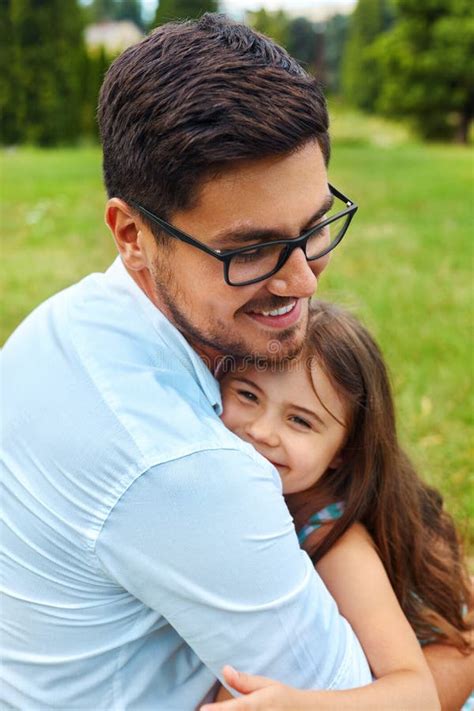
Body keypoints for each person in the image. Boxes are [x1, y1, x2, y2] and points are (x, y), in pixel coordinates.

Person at [0, 13, 453, 710]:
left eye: (313, 227)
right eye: (250, 249)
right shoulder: (181, 466)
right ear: (132, 234)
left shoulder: (62, 325)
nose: (303, 280)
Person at [203, 300, 473, 710]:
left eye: (300, 421)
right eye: (247, 394)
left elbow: (417, 694)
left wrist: (299, 705)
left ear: (342, 453)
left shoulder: (331, 537)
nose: (260, 430)